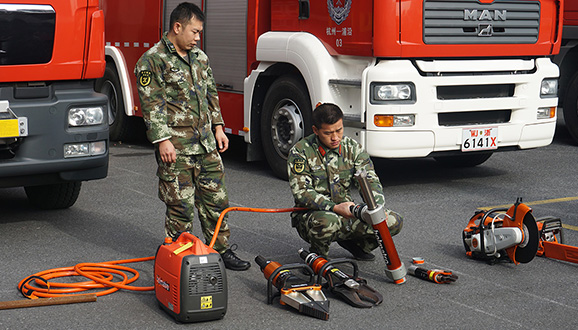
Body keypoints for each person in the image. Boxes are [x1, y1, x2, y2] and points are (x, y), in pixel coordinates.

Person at [134, 2, 249, 271]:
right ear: (177, 27)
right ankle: (179, 256)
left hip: (206, 144)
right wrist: (162, 140)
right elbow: (152, 104)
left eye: (199, 33)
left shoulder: (200, 57)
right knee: (180, 208)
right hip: (176, 147)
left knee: (216, 202)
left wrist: (219, 127)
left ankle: (219, 251)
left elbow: (211, 94)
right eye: (194, 32)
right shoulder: (152, 60)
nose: (198, 38)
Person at [287, 103, 403, 260]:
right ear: (315, 130)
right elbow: (302, 193)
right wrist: (334, 207)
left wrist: (376, 208)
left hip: (349, 212)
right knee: (328, 221)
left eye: (339, 130)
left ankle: (356, 245)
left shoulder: (353, 148)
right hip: (315, 215)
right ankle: (317, 257)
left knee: (392, 221)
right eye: (328, 133)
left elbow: (370, 180)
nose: (335, 137)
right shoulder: (301, 151)